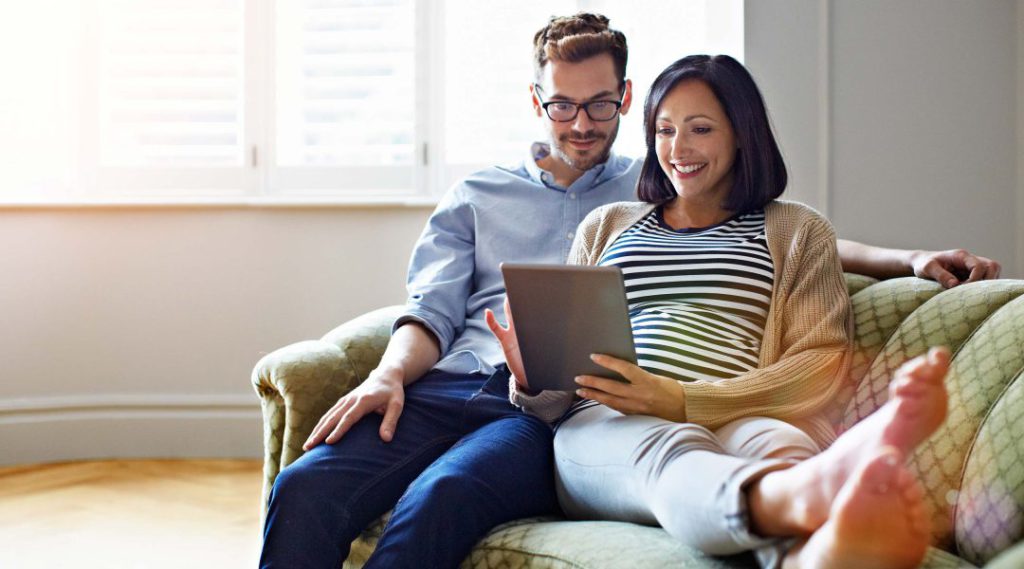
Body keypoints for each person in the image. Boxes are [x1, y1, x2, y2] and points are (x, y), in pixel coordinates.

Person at [260, 13, 998, 569]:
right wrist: (400, 375)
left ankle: (825, 520)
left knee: (772, 443)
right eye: (562, 107)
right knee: (309, 488)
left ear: (624, 99)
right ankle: (805, 498)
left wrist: (906, 257)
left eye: (601, 106)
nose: (582, 125)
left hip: (640, 402)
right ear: (537, 101)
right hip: (523, 393)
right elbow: (436, 308)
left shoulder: (722, 201)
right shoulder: (536, 203)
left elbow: (797, 250)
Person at [490, 54, 949, 569]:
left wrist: (685, 398)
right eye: (664, 130)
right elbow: (558, 400)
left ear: (741, 135)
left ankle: (817, 554)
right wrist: (533, 379)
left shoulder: (798, 230)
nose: (678, 149)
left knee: (782, 445)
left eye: (700, 129)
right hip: (610, 424)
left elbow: (818, 364)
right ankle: (809, 494)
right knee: (673, 451)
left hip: (741, 413)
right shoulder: (608, 225)